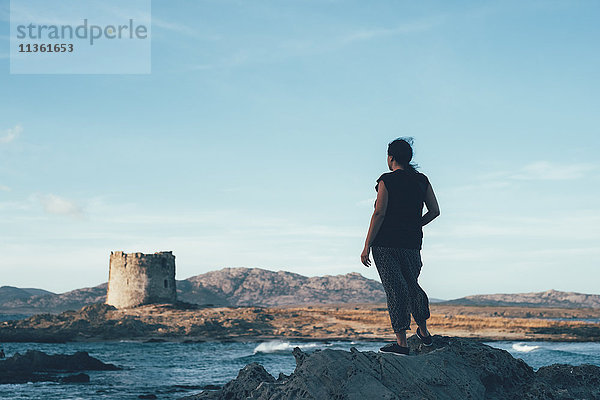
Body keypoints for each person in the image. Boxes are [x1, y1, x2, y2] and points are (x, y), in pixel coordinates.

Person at [361, 137, 440, 356]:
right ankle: (424, 333)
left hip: (385, 243)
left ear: (391, 157)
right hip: (412, 244)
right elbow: (434, 211)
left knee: (396, 290)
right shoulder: (422, 180)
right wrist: (415, 225)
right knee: (412, 285)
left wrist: (367, 245)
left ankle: (401, 344)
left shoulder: (386, 180)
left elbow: (379, 212)